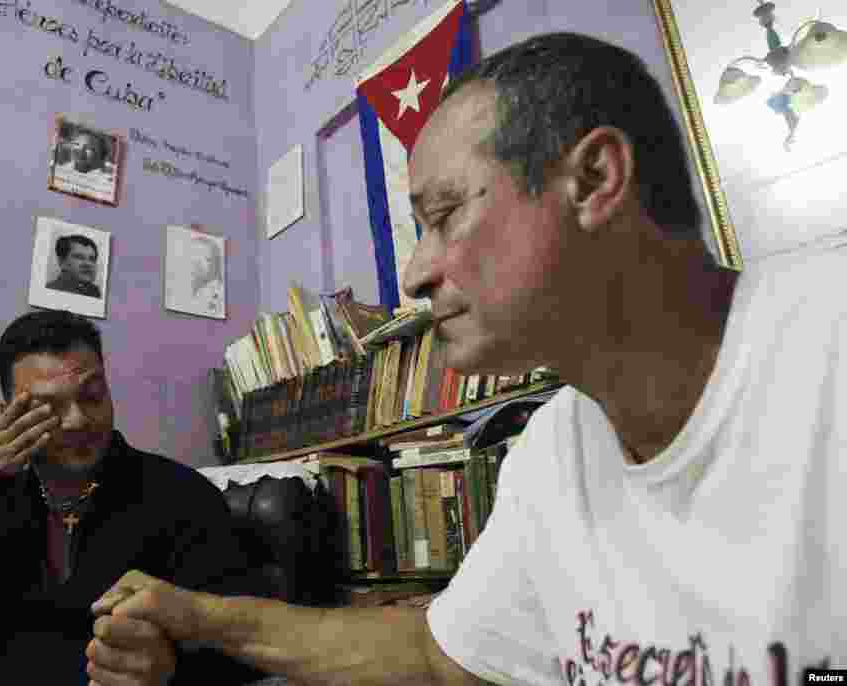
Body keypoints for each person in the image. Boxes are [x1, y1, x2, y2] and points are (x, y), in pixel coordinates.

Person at [85, 32, 846, 686]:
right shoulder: (552, 450)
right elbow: (436, 652)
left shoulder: (828, 344)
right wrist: (199, 617)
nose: (414, 276)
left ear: (594, 180)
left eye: (445, 215)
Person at [0, 309, 268, 685]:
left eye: (92, 396)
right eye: (48, 407)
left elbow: (249, 649)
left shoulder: (180, 495)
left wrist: (170, 670)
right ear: (10, 413)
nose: (77, 420)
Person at [47, 234, 102, 298]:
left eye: (92, 259)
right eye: (79, 257)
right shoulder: (50, 291)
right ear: (62, 262)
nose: (88, 264)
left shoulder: (95, 292)